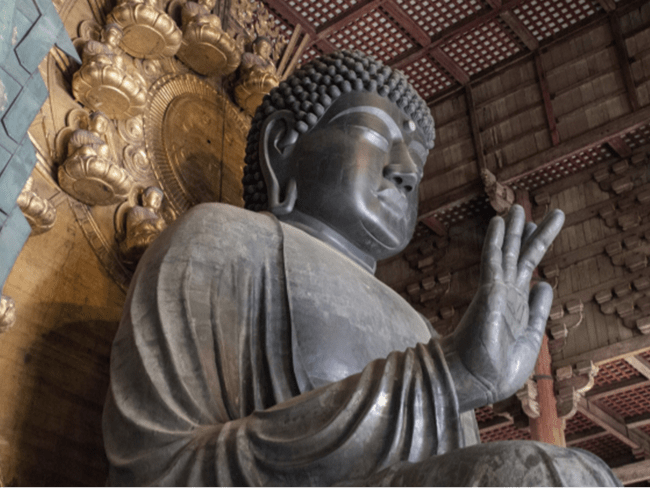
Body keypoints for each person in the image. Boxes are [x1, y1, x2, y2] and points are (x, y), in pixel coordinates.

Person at [103, 50, 620, 486]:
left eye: (416, 160)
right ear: (282, 144)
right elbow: (155, 469)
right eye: (377, 134)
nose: (406, 172)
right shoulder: (223, 239)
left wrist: (454, 379)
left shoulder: (417, 325)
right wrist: (443, 378)